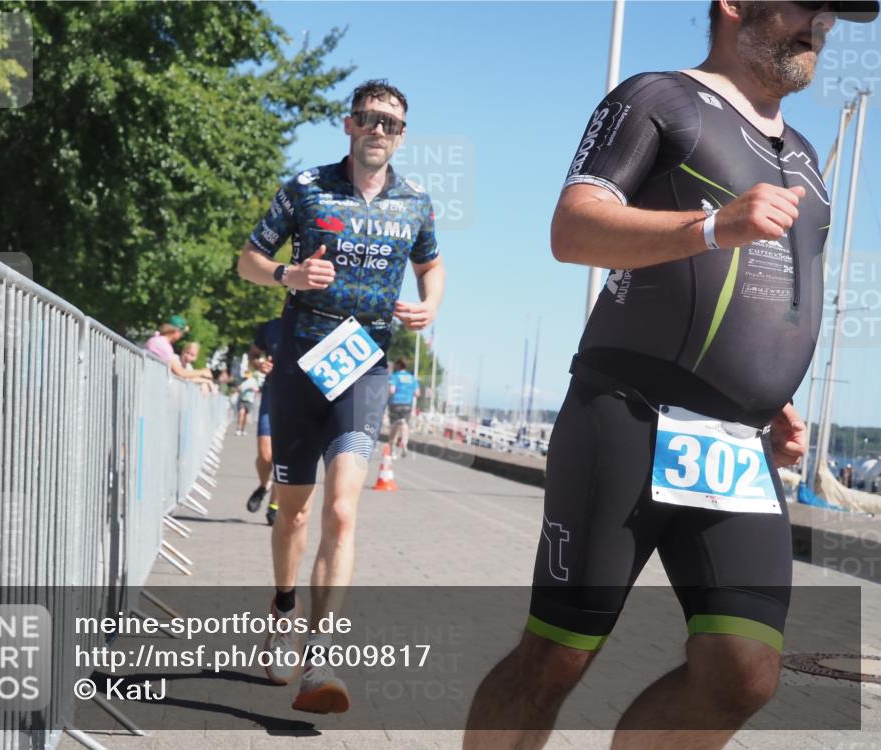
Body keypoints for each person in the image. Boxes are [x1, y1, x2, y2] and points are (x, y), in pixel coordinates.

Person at [464, 2, 878, 749]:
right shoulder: (660, 99)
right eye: (804, 3)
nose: (820, 23)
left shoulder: (809, 156)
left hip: (736, 443)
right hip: (629, 413)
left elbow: (773, 286)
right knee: (555, 660)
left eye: (833, 12)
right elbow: (572, 228)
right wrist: (713, 225)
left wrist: (771, 391)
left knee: (743, 672)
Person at [237, 79, 445, 714]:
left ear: (403, 134)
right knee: (293, 512)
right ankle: (282, 606)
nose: (379, 129)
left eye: (391, 122)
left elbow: (431, 264)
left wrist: (429, 306)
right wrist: (288, 274)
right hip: (302, 364)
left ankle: (320, 658)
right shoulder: (306, 188)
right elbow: (247, 258)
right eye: (369, 118)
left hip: (365, 366)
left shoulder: (415, 202)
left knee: (344, 512)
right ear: (349, 125)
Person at [246, 318, 282, 525]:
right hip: (271, 394)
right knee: (265, 454)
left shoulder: (314, 324)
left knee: (281, 458)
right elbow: (253, 353)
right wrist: (258, 363)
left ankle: (274, 506)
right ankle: (263, 485)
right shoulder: (270, 327)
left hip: (299, 398)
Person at [143, 315, 214, 385]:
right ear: (176, 331)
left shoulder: (158, 339)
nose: (182, 336)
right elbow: (180, 372)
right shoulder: (163, 345)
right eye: (181, 332)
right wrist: (202, 371)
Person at [388, 357, 420, 458]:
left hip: (396, 403)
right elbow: (417, 393)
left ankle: (392, 446)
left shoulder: (395, 376)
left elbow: (392, 390)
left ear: (398, 365)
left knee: (394, 425)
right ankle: (404, 442)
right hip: (407, 404)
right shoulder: (412, 378)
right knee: (404, 423)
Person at [235, 370, 259, 436]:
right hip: (241, 399)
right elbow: (237, 388)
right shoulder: (241, 380)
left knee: (245, 415)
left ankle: (243, 429)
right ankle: (238, 429)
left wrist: (252, 389)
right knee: (241, 413)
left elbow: (257, 390)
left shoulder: (253, 381)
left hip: (250, 400)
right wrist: (239, 388)